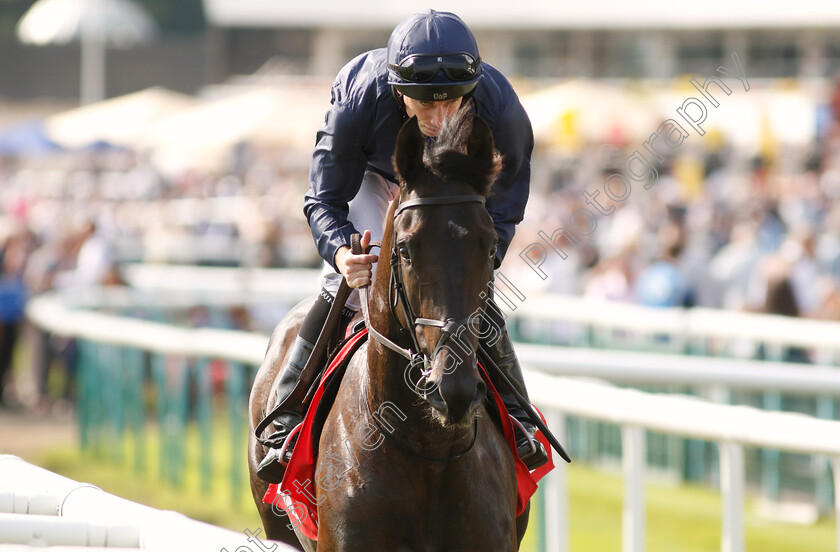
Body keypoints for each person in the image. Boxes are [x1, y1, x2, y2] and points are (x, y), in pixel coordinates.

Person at [257, 9, 545, 482]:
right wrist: (341, 254)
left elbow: (505, 207)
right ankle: (286, 420)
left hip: (455, 188)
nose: (439, 119)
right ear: (397, 91)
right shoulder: (359, 99)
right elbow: (323, 199)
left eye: (453, 103)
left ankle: (519, 416)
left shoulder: (502, 111)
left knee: (467, 290)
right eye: (425, 106)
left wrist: (476, 264)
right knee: (345, 281)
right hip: (375, 177)